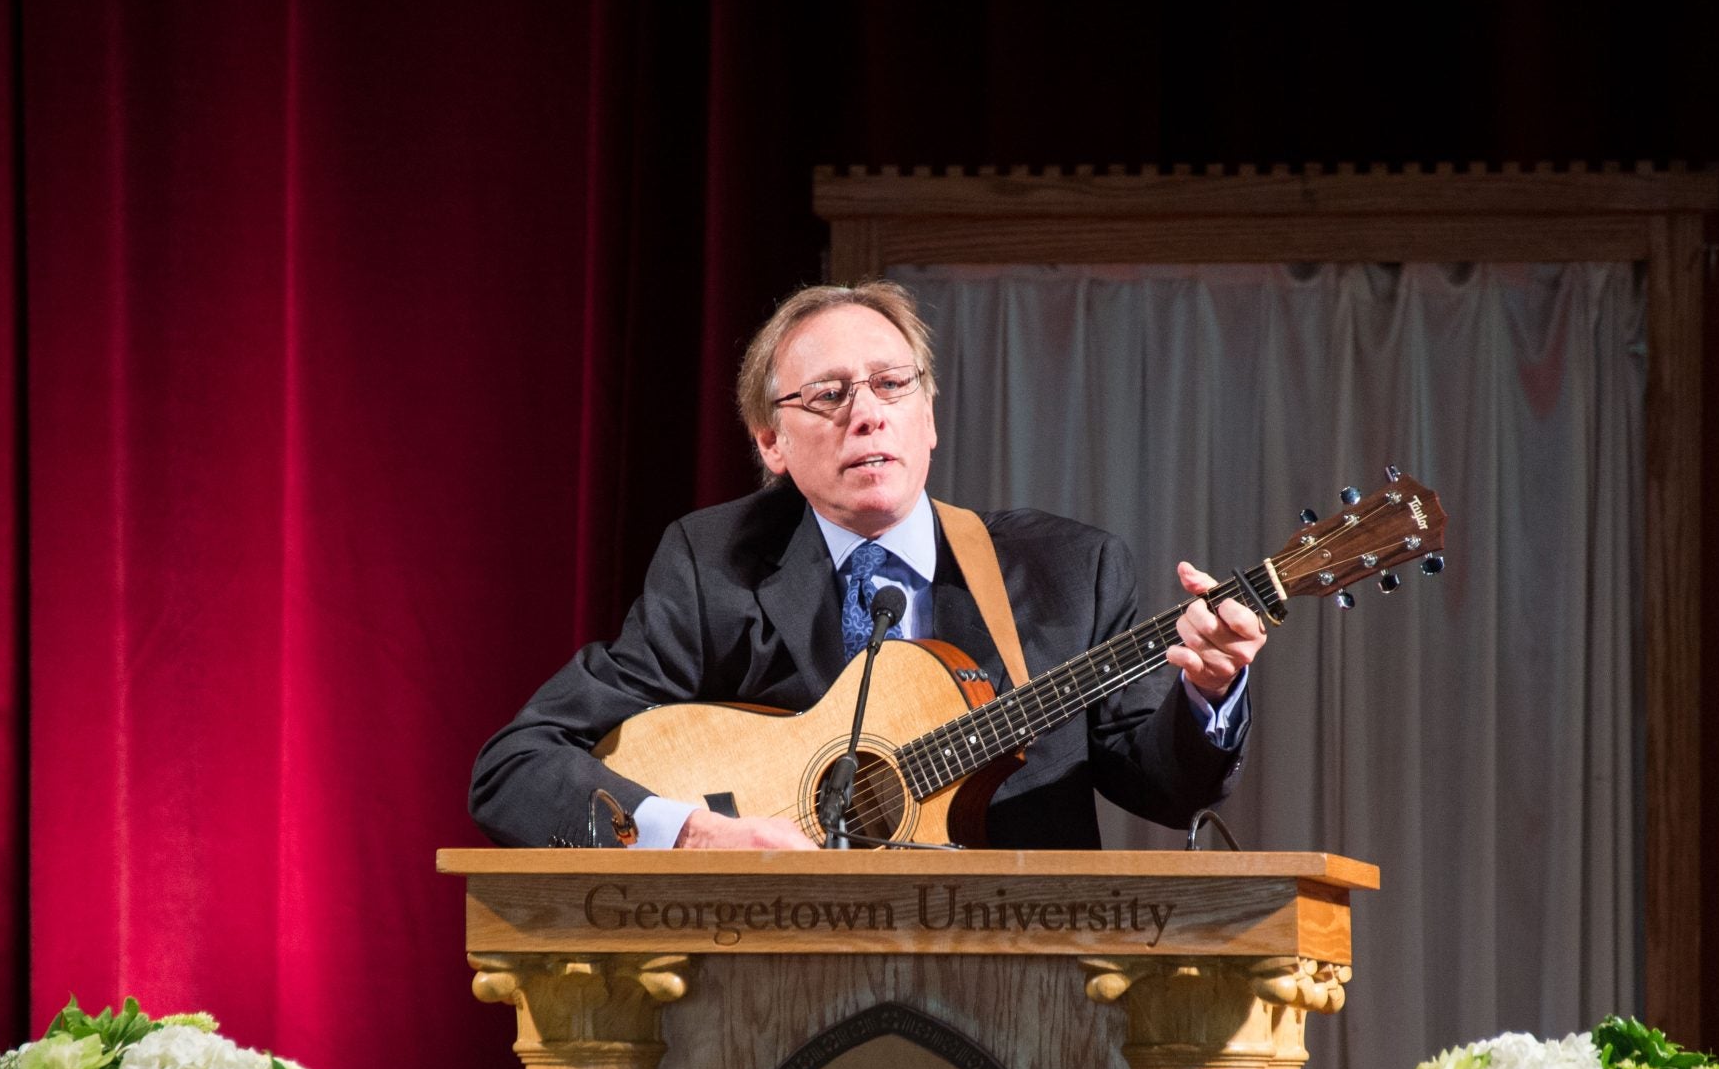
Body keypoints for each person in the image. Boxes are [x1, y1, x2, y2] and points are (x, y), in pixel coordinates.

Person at [468, 281, 1267, 849]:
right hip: (770, 990)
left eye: (891, 384)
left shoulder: (1070, 570)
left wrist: (1210, 693)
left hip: (1023, 977)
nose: (867, 413)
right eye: (827, 395)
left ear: (929, 419)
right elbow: (516, 768)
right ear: (770, 442)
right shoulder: (716, 568)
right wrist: (692, 836)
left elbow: (1166, 788)